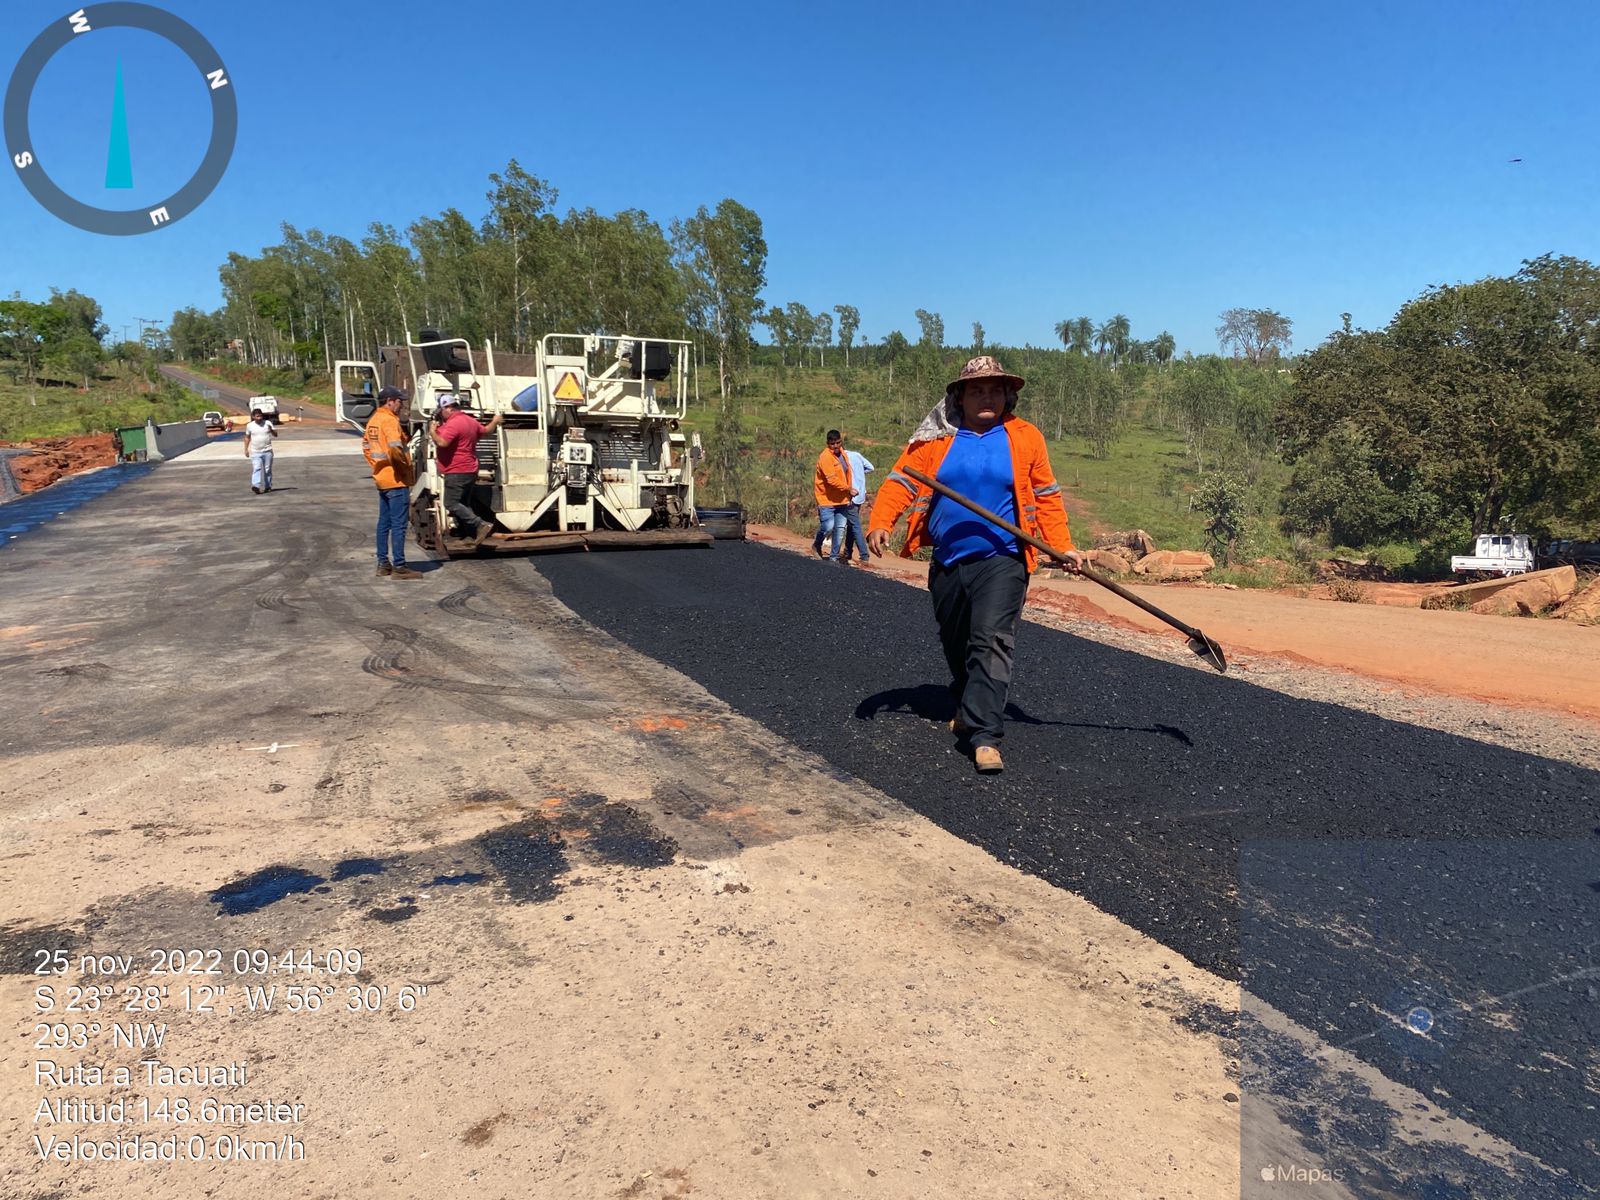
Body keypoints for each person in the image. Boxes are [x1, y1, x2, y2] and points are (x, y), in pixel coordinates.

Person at [866, 355, 1084, 774]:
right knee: (957, 640)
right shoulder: (937, 439)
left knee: (991, 639)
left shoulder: (1025, 438)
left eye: (995, 390)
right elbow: (902, 479)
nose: (987, 396)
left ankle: (985, 735)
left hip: (1004, 559)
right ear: (960, 397)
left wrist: (1063, 547)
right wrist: (881, 521)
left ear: (1008, 396)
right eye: (977, 389)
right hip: (948, 560)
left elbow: (1047, 495)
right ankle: (968, 701)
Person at [362, 387, 421, 579]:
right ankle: (400, 566)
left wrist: (377, 467)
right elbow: (396, 450)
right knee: (399, 525)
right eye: (399, 401)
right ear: (390, 400)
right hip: (396, 480)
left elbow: (366, 447)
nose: (401, 405)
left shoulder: (374, 420)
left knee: (383, 523)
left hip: (382, 478)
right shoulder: (389, 420)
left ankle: (383, 564)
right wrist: (404, 470)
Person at [430, 393, 503, 547]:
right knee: (464, 503)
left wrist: (432, 432)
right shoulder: (470, 421)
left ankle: (480, 525)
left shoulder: (453, 424)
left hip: (457, 469)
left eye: (441, 410)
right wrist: (495, 421)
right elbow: (486, 431)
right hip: (470, 469)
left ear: (448, 408)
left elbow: (442, 442)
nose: (440, 414)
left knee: (451, 503)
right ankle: (469, 535)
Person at [812, 429, 854, 562]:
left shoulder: (842, 454)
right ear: (827, 444)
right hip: (827, 499)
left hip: (841, 500)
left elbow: (847, 474)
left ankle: (834, 557)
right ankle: (817, 544)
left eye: (838, 443)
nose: (836, 446)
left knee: (840, 529)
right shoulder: (825, 457)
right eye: (832, 444)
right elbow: (831, 479)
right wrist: (848, 489)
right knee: (828, 527)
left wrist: (848, 494)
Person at [838, 436, 875, 565]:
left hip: (851, 496)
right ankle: (847, 552)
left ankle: (864, 555)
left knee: (854, 525)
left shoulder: (841, 459)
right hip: (860, 496)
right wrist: (859, 473)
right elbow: (871, 468)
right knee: (851, 523)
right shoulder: (857, 455)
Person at [243, 408, 277, 494]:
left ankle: (268, 486)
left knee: (267, 469)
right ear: (253, 417)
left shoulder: (268, 423)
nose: (259, 418)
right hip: (255, 452)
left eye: (260, 416)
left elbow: (276, 435)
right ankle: (256, 486)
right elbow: (247, 437)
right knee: (257, 468)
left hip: (267, 451)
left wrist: (271, 430)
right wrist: (246, 449)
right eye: (257, 416)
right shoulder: (249, 426)